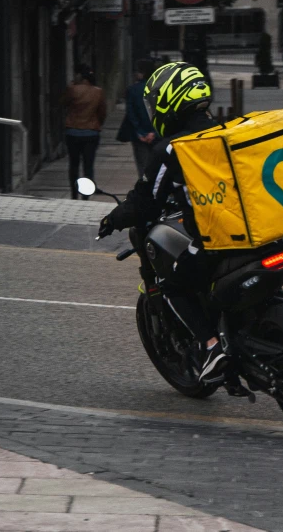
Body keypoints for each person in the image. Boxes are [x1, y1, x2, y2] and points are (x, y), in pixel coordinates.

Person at [98, 62, 229, 383]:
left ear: (171, 100)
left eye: (157, 99)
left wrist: (113, 218)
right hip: (258, 234)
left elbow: (144, 202)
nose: (154, 105)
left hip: (216, 241)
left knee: (172, 285)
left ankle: (212, 346)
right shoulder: (228, 132)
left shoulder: (173, 148)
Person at [63, 64, 107, 200]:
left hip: (73, 131)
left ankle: (73, 194)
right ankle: (86, 195)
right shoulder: (98, 92)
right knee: (88, 165)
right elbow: (102, 113)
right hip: (91, 132)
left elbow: (62, 103)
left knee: (74, 164)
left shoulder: (72, 90)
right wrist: (97, 123)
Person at [124, 59, 158, 177]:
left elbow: (131, 113)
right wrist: (153, 132)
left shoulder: (133, 89)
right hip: (157, 134)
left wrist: (140, 132)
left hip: (140, 136)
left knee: (143, 167)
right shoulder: (161, 89)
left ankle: (145, 191)